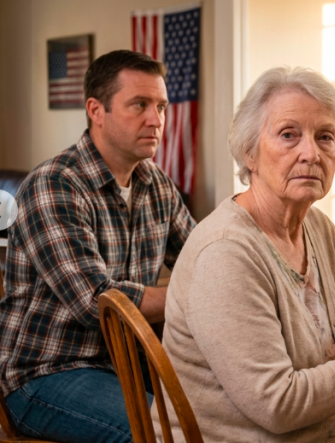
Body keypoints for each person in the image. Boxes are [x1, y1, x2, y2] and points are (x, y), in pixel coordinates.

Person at [152, 66, 335, 443]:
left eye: (325, 137)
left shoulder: (316, 227)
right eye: (288, 135)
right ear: (249, 152)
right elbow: (279, 403)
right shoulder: (225, 253)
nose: (310, 153)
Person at [0, 50, 195, 443]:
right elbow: (97, 301)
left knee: (229, 418)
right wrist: (194, 295)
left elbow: (204, 259)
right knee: (164, 436)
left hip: (127, 364)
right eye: (139, 105)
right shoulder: (54, 184)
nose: (156, 120)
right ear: (96, 110)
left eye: (160, 106)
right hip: (45, 373)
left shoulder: (156, 184)